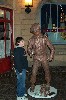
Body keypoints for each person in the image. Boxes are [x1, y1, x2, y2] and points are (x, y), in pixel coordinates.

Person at [27, 23, 55, 94]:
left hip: (44, 57)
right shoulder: (31, 39)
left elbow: (52, 48)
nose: (38, 32)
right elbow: (29, 48)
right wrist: (30, 52)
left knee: (47, 71)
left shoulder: (44, 38)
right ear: (34, 31)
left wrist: (51, 56)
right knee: (34, 72)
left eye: (39, 30)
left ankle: (48, 83)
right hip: (36, 57)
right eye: (36, 30)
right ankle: (32, 84)